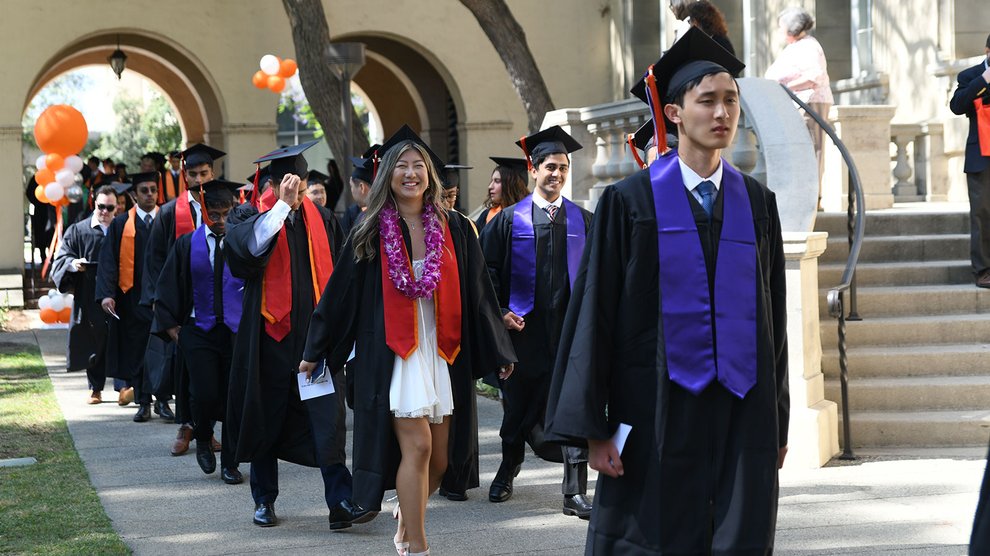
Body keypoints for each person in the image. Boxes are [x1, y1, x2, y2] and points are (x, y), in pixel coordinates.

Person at [545, 27, 789, 554]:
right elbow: (594, 315)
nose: (722, 113)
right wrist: (594, 429)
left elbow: (774, 320)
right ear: (675, 113)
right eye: (707, 101)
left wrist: (779, 421)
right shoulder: (629, 203)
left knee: (737, 537)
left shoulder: (757, 203)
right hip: (655, 409)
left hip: (742, 412)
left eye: (731, 100)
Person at [300, 125, 516, 556]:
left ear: (431, 176)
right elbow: (338, 293)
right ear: (387, 176)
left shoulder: (453, 227)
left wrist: (498, 348)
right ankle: (416, 546)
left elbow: (478, 292)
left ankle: (407, 516)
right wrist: (314, 351)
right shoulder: (371, 230)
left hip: (441, 350)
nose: (412, 173)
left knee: (439, 460)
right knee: (416, 446)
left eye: (419, 166)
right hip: (393, 355)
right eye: (402, 166)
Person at [224, 140, 370, 530]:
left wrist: (345, 338)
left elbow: (340, 281)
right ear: (272, 185)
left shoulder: (322, 219)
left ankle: (340, 500)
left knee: (329, 422)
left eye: (303, 188)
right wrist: (279, 208)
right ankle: (264, 500)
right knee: (266, 420)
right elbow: (246, 252)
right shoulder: (249, 215)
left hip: (315, 343)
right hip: (270, 341)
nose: (300, 195)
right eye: (293, 187)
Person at [479, 126, 595, 519]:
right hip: (523, 336)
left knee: (575, 407)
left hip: (569, 334)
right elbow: (485, 272)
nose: (557, 174)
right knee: (516, 410)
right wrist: (500, 311)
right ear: (533, 169)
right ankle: (508, 467)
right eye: (549, 166)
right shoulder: (508, 221)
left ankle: (574, 491)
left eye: (563, 167)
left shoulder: (585, 221)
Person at [153, 179, 245, 485]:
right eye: (213, 214)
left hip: (234, 330)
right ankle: (204, 437)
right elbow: (167, 285)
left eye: (225, 213)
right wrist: (172, 328)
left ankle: (230, 462)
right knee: (204, 393)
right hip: (198, 329)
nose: (219, 221)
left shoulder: (241, 243)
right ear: (203, 210)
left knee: (234, 398)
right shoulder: (186, 244)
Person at [142, 144, 225, 456]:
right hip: (184, 308)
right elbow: (154, 262)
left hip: (217, 309)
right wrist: (161, 309)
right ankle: (186, 424)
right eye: (193, 174)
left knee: (211, 375)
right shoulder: (168, 213)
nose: (198, 178)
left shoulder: (225, 209)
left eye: (204, 173)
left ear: (212, 173)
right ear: (184, 175)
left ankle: (206, 428)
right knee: (185, 370)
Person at [96, 173, 174, 423]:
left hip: (163, 298)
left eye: (153, 189)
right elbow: (108, 262)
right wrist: (107, 294)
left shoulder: (168, 219)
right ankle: (143, 401)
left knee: (162, 350)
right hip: (132, 299)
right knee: (137, 350)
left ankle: (162, 401)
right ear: (134, 195)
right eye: (144, 190)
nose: (150, 194)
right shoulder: (121, 224)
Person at [52, 185, 117, 404]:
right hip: (90, 291)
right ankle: (96, 388)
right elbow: (62, 257)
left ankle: (125, 386)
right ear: (93, 204)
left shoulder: (123, 228)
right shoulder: (79, 230)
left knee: (122, 338)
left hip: (120, 291)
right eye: (101, 207)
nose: (105, 212)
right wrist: (73, 264)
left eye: (110, 207)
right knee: (94, 339)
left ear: (117, 207)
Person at [765, 7, 833, 202]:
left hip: (810, 103)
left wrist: (785, 87)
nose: (779, 31)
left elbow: (814, 76)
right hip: (798, 105)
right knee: (802, 151)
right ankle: (804, 195)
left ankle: (812, 197)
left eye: (781, 26)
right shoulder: (796, 46)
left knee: (811, 150)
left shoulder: (809, 46)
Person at [949, 33, 990, 288]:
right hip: (982, 156)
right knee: (982, 213)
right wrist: (984, 81)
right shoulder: (970, 76)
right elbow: (957, 105)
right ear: (988, 51)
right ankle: (983, 270)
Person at [476, 157, 529, 234]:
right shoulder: (486, 215)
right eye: (492, 181)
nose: (490, 186)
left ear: (512, 185)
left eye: (497, 181)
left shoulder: (529, 216)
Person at [339, 146, 378, 237]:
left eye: (351, 186)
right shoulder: (394, 212)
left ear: (361, 187)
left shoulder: (361, 219)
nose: (352, 191)